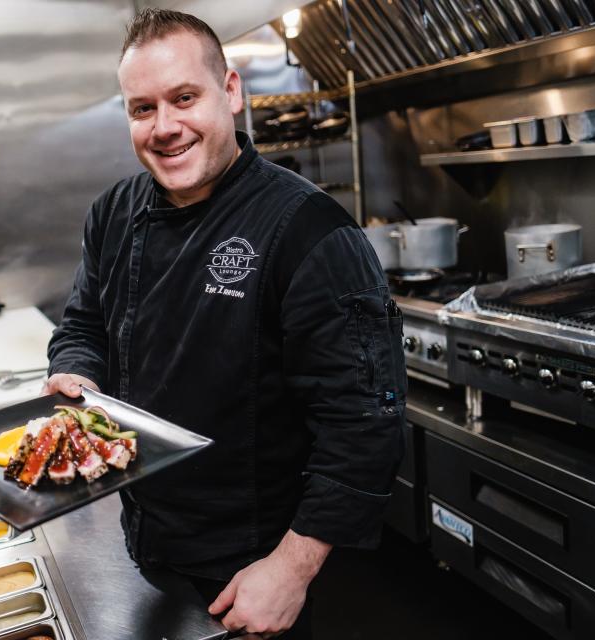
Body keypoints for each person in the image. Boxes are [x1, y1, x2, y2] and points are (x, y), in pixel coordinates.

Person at [44, 8, 406, 639]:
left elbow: (364, 424)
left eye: (184, 98)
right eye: (142, 109)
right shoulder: (112, 214)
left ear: (231, 92)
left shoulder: (308, 229)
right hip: (143, 533)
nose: (165, 127)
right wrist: (75, 372)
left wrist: (291, 571)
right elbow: (82, 325)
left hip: (249, 564)